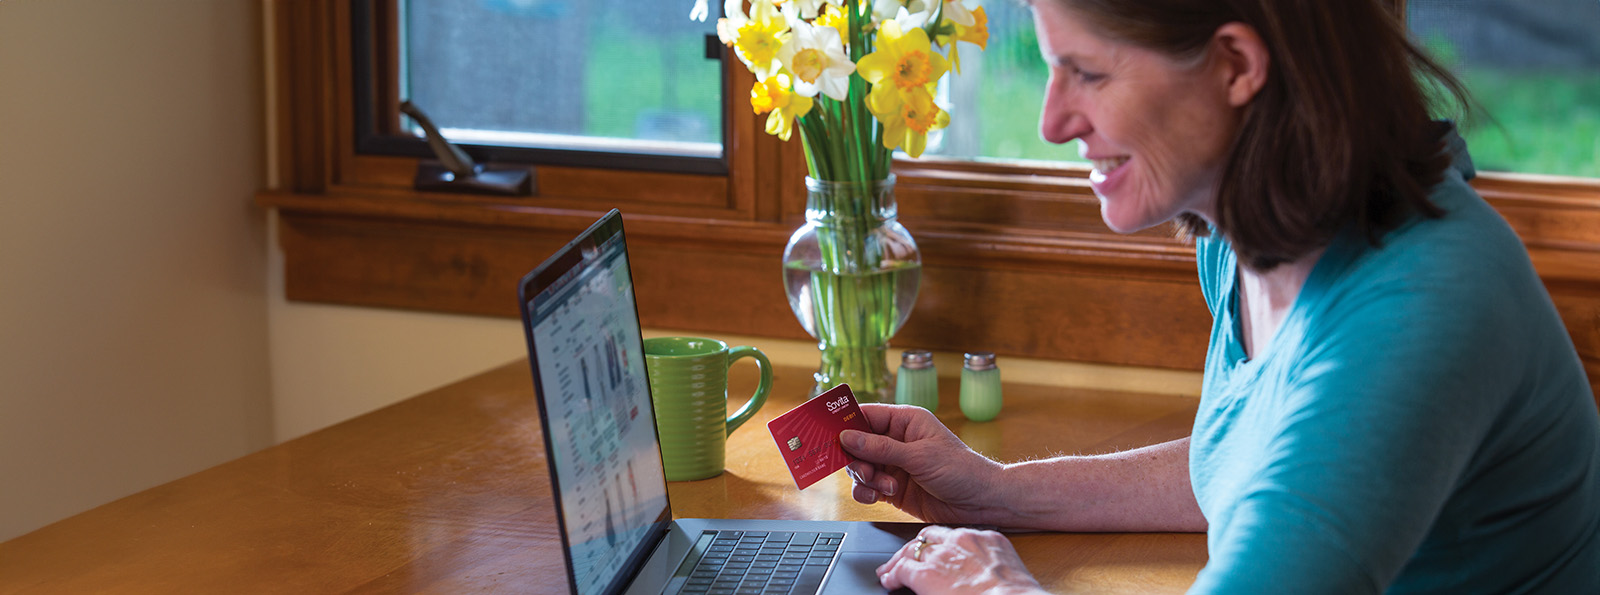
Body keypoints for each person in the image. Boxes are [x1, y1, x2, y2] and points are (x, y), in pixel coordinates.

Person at [839, 1, 1600, 593]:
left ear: (1236, 64)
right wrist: (996, 490)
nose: (1051, 120)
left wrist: (996, 581)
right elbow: (1265, 464)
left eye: (1090, 74)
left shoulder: (1420, 308)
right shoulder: (1236, 238)